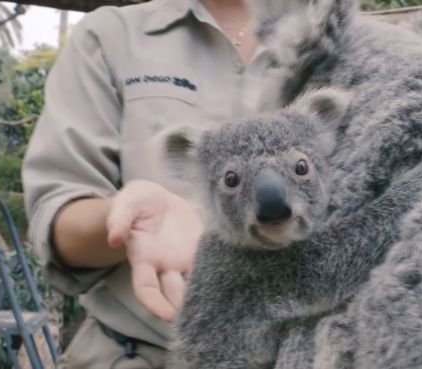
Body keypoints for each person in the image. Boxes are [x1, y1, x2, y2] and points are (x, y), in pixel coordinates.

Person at [22, 0, 276, 367]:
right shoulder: (111, 35)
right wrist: (131, 222)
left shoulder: (363, 49)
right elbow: (57, 219)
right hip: (141, 352)